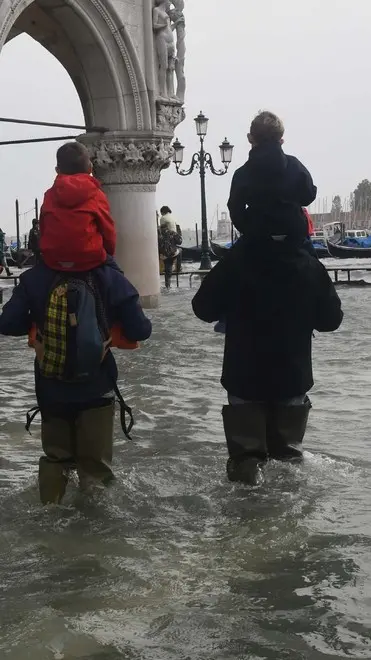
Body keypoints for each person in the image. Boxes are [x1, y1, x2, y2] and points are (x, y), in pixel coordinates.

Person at [192, 236, 343, 486]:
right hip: (292, 375)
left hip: (243, 375)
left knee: (246, 461)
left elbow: (202, 308)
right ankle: (288, 518)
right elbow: (331, 320)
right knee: (288, 461)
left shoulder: (235, 262)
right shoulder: (309, 265)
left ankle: (245, 515)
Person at [0, 260, 152, 505]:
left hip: (51, 388)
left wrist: (40, 328)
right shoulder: (109, 277)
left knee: (56, 459)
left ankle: (49, 519)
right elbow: (140, 330)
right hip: (97, 387)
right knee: (96, 468)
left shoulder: (34, 277)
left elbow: (6, 323)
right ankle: (96, 534)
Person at [227, 111, 317, 244]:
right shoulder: (295, 166)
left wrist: (249, 228)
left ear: (250, 138)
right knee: (313, 264)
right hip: (294, 240)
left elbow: (235, 209)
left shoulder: (242, 173)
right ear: (281, 139)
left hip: (258, 240)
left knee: (229, 264)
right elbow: (308, 196)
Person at [40, 142, 116, 272]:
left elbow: (43, 227)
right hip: (90, 259)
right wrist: (108, 254)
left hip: (54, 260)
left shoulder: (49, 195)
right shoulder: (97, 195)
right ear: (90, 168)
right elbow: (108, 232)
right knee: (122, 286)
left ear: (57, 170)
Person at [158, 206, 182, 288]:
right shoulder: (172, 230)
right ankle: (178, 268)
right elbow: (180, 241)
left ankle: (167, 285)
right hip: (173, 251)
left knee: (167, 266)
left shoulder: (159, 235)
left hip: (164, 254)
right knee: (180, 251)